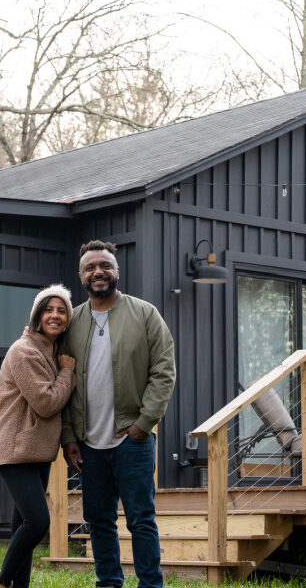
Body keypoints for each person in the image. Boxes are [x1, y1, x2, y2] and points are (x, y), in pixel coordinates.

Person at [60, 240, 176, 588]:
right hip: (88, 444)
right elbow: (62, 384)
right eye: (90, 267)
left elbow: (164, 371)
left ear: (117, 272)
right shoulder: (72, 322)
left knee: (141, 519)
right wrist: (68, 437)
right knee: (99, 520)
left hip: (133, 440)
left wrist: (144, 424)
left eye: (105, 266)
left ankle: (150, 584)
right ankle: (108, 582)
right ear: (81, 275)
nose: (98, 272)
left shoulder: (145, 313)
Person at [0, 284, 77, 588]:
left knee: (21, 526)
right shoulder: (23, 351)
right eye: (48, 310)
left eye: (61, 310)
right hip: (16, 448)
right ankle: (1, 582)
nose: (55, 315)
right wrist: (66, 374)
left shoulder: (51, 353)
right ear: (37, 317)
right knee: (38, 523)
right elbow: (46, 402)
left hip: (37, 450)